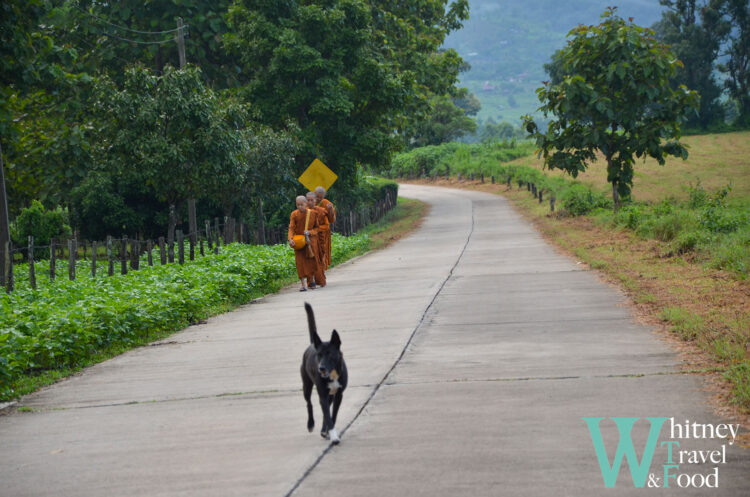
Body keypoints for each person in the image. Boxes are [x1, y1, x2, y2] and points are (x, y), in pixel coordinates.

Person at [288, 195, 320, 291]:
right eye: (298, 205)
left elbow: (317, 228)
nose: (300, 207)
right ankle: (303, 285)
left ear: (306, 204)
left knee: (311, 261)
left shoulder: (313, 214)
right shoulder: (294, 214)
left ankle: (312, 280)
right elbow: (291, 227)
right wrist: (290, 239)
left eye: (302, 205)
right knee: (300, 263)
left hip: (310, 241)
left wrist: (310, 232)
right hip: (298, 242)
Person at [306, 192, 327, 287]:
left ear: (315, 201)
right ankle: (311, 281)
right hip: (306, 240)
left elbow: (326, 225)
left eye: (312, 200)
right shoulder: (302, 212)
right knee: (308, 260)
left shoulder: (321, 211)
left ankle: (320, 280)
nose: (310, 202)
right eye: (308, 200)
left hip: (318, 239)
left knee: (318, 259)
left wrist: (314, 231)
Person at [315, 186, 336, 269]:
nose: (319, 199)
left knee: (324, 252)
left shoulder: (327, 203)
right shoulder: (310, 202)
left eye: (321, 197)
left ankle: (322, 270)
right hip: (313, 232)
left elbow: (332, 220)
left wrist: (330, 210)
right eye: (317, 196)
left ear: (324, 196)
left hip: (324, 232)